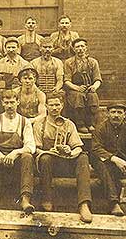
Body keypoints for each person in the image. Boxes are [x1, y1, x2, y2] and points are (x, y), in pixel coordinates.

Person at [33, 93, 92, 223]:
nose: (54, 108)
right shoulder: (39, 124)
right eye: (52, 105)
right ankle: (46, 199)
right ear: (46, 106)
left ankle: (84, 204)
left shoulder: (69, 124)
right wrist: (47, 151)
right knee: (45, 158)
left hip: (66, 162)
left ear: (62, 105)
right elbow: (35, 149)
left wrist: (70, 151)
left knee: (83, 157)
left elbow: (78, 147)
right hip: (48, 164)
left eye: (57, 105)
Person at [0, 90, 35, 212]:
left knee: (28, 157)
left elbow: (31, 146)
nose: (9, 106)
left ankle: (25, 198)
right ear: (2, 103)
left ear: (18, 102)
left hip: (16, 158)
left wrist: (16, 153)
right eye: (6, 103)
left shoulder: (24, 121)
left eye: (12, 102)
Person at [64, 38, 102, 133]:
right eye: (77, 47)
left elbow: (98, 79)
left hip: (89, 87)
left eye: (82, 46)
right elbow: (67, 81)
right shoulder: (69, 62)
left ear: (86, 48)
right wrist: (77, 88)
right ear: (73, 49)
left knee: (92, 97)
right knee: (78, 97)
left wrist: (94, 87)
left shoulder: (93, 62)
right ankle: (80, 124)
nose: (80, 49)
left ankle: (90, 123)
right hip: (74, 89)